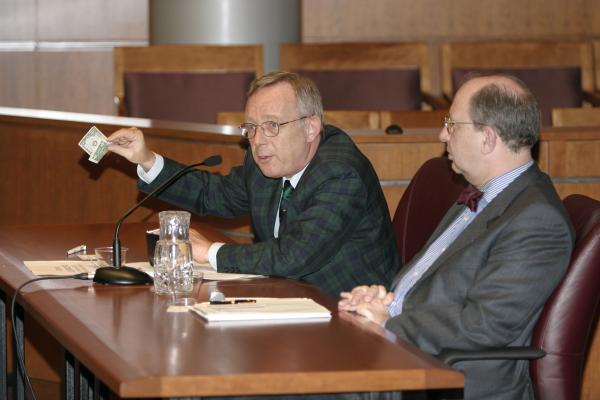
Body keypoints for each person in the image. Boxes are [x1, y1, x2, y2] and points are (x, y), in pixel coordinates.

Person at [338, 74, 574, 400]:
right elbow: (438, 285)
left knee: (290, 386)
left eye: (452, 124)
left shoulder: (537, 220)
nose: (442, 134)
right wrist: (382, 301)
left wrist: (389, 322)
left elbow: (484, 325)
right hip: (411, 354)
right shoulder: (483, 194)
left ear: (488, 139)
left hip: (445, 376)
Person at [107, 71, 399, 298]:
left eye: (272, 126)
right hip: (287, 299)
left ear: (310, 127)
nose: (258, 141)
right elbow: (213, 194)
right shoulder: (266, 161)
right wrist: (146, 159)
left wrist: (209, 252)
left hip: (349, 314)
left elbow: (293, 256)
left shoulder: (340, 173)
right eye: (251, 128)